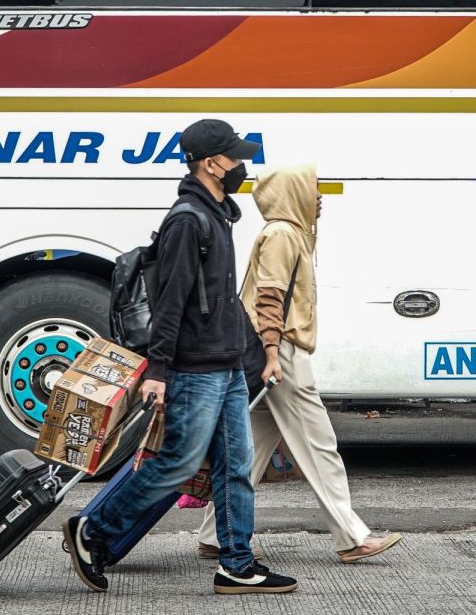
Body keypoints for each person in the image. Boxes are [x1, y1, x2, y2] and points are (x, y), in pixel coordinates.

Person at [63, 119, 299, 596]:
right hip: (196, 367)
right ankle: (93, 530)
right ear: (211, 164)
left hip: (226, 365)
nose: (242, 165)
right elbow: (170, 301)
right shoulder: (187, 220)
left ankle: (236, 562)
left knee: (235, 464)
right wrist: (160, 369)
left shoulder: (216, 214)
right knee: (176, 464)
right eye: (235, 157)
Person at [196, 164, 402, 562]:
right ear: (292, 192)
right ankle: (352, 535)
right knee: (319, 445)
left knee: (251, 449)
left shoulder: (287, 232)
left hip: (270, 350)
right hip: (281, 353)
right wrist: (273, 353)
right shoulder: (282, 235)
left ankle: (213, 535)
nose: (320, 197)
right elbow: (270, 297)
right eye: (312, 189)